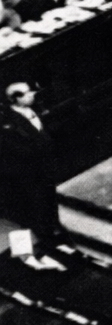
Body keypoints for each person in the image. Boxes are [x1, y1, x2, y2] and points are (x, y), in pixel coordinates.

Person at [0, 83, 58, 239]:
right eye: (27, 93)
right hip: (30, 171)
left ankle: (54, 227)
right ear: (16, 98)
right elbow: (16, 148)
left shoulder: (35, 109)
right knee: (37, 203)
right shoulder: (8, 121)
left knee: (50, 197)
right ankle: (45, 235)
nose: (32, 94)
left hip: (45, 166)